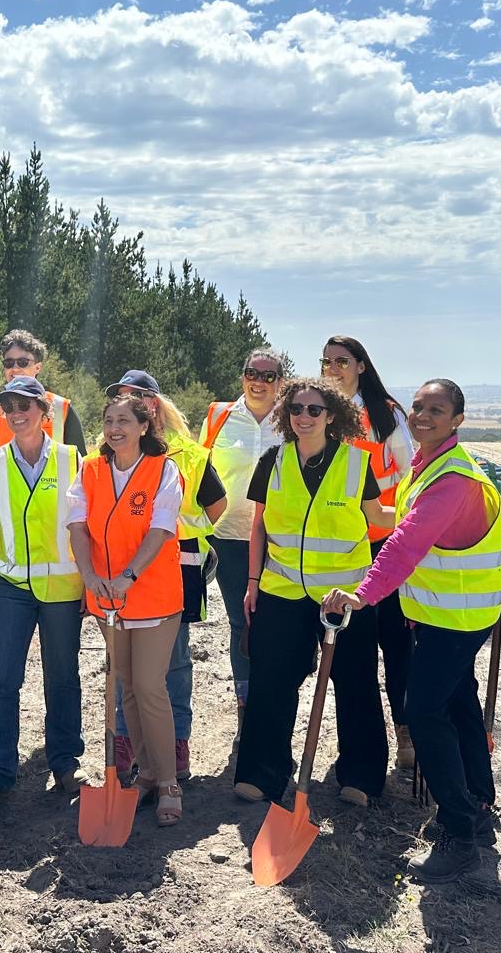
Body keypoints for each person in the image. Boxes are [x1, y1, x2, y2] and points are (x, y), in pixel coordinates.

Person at [323, 379, 501, 884]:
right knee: (458, 703)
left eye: (437, 409)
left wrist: (362, 594)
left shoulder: (453, 481)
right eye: (419, 407)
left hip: (458, 617)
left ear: (457, 420)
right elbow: (399, 523)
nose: (424, 415)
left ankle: (458, 828)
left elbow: (404, 545)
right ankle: (479, 803)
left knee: (423, 709)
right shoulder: (424, 467)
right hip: (446, 613)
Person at [235, 378, 388, 810]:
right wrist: (252, 583)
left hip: (344, 596)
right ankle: (261, 775)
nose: (304, 417)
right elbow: (259, 526)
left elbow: (380, 518)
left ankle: (361, 775)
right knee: (271, 682)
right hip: (282, 591)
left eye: (314, 410)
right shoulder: (273, 460)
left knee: (356, 682)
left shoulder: (357, 465)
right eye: (296, 409)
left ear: (333, 416)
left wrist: (429, 512)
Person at [0, 375, 87, 805]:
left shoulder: (72, 460)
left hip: (64, 588)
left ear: (44, 414)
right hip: (11, 585)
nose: (16, 412)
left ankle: (65, 764)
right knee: (2, 680)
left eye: (25, 404)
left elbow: (86, 522)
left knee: (63, 678)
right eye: (9, 405)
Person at [68, 393, 186, 826]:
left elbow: (160, 529)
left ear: (143, 426)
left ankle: (171, 781)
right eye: (109, 420)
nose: (115, 427)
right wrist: (88, 574)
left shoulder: (163, 470)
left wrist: (129, 576)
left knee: (149, 685)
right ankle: (148, 772)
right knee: (127, 687)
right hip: (107, 598)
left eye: (124, 420)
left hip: (152, 597)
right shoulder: (90, 470)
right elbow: (77, 525)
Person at [107, 371, 227, 784]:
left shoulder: (187, 454)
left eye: (137, 396)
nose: (128, 403)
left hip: (179, 565)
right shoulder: (106, 448)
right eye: (122, 397)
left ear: (153, 405)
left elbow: (216, 507)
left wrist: (175, 527)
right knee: (124, 663)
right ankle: (126, 739)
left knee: (171, 662)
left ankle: (175, 742)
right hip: (125, 568)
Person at [321, 334, 416, 769]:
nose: (333, 368)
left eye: (341, 361)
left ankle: (407, 735)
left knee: (397, 643)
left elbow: (412, 474)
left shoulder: (385, 414)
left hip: (387, 545)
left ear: (361, 365)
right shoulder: (319, 413)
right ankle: (359, 748)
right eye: (327, 362)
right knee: (354, 654)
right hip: (342, 550)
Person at [197, 348, 288, 733]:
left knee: (277, 623)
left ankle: (274, 701)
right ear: (242, 376)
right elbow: (200, 472)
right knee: (241, 622)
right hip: (230, 538)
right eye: (253, 372)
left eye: (269, 376)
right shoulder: (219, 417)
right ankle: (247, 704)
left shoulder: (293, 418)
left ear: (280, 383)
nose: (259, 381)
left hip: (282, 540)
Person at [0, 328, 86, 457]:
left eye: (23, 362)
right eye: (8, 363)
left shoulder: (61, 407)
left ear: (38, 367)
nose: (15, 368)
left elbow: (80, 464)